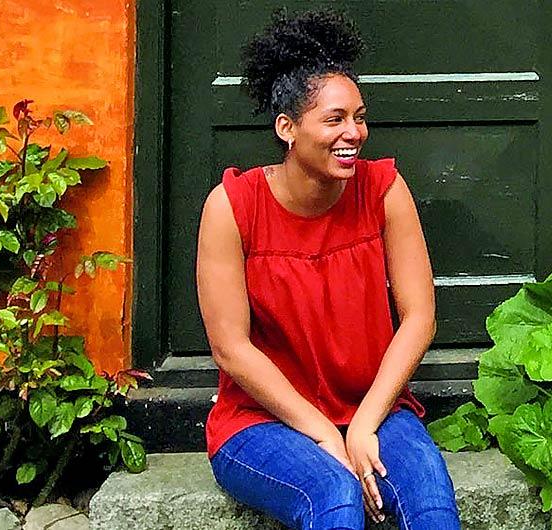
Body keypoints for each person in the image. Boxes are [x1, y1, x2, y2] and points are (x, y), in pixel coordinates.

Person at [194, 10, 459, 529]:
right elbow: (231, 348)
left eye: (359, 117)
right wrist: (322, 432)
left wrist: (363, 424)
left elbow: (419, 317)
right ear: (287, 128)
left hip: (373, 407)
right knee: (333, 493)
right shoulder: (231, 206)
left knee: (430, 503)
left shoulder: (383, 190)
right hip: (260, 422)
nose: (354, 133)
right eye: (335, 119)